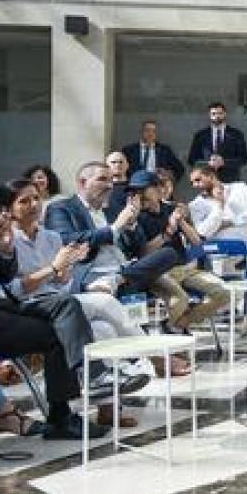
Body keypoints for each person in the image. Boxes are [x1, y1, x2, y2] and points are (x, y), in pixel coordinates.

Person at [1, 180, 152, 425]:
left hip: (60, 303)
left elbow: (62, 284)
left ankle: (107, 407)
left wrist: (64, 273)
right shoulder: (7, 241)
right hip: (29, 307)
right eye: (23, 201)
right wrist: (54, 268)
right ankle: (147, 357)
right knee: (103, 302)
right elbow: (13, 290)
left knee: (104, 329)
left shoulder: (50, 237)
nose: (33, 205)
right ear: (8, 209)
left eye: (36, 199)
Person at [0, 200, 124, 441]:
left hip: (3, 305)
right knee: (57, 333)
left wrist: (4, 248)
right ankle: (64, 414)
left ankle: (85, 387)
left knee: (66, 310)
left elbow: (1, 274)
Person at [47, 161, 189, 376]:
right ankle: (153, 357)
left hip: (123, 274)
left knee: (169, 253)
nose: (109, 186)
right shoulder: (61, 208)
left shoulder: (113, 209)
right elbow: (66, 239)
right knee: (107, 321)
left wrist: (131, 225)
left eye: (111, 181)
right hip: (91, 275)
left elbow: (137, 246)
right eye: (102, 179)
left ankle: (116, 280)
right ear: (82, 182)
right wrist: (115, 227)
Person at [130, 169, 233, 332]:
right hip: (157, 272)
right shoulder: (136, 217)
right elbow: (144, 254)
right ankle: (174, 335)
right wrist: (169, 231)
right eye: (135, 191)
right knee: (180, 299)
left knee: (224, 293)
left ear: (158, 189)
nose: (138, 194)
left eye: (143, 189)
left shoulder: (171, 208)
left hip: (183, 268)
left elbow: (196, 242)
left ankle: (177, 324)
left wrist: (181, 222)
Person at [188, 161, 247, 242]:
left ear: (211, 176)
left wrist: (232, 222)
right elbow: (203, 232)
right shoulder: (195, 204)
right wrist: (219, 205)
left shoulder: (240, 188)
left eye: (198, 180)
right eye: (192, 183)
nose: (195, 185)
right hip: (221, 249)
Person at [188, 101, 247, 183]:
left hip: (231, 180)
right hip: (206, 181)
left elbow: (244, 159)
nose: (217, 116)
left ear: (225, 114)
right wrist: (208, 163)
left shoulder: (236, 135)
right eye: (213, 114)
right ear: (209, 115)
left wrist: (224, 162)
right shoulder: (200, 136)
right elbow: (192, 160)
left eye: (220, 113)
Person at [101, 151, 131, 220]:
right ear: (106, 165)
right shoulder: (100, 188)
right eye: (113, 162)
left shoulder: (135, 187)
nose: (117, 165)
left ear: (127, 165)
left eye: (121, 162)